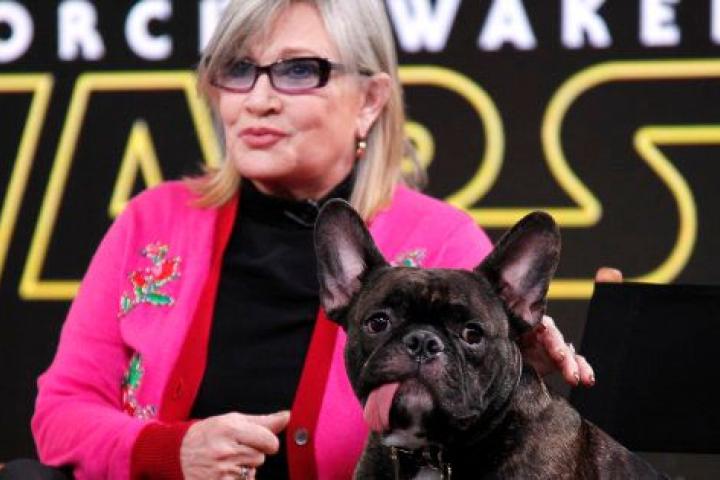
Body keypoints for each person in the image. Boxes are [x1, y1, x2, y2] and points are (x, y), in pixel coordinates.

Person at [22, 1, 598, 479]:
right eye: (238, 69)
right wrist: (172, 452)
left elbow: (478, 435)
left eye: (299, 70)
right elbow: (61, 413)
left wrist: (510, 376)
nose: (258, 99)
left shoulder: (443, 242)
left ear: (370, 101)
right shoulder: (153, 222)